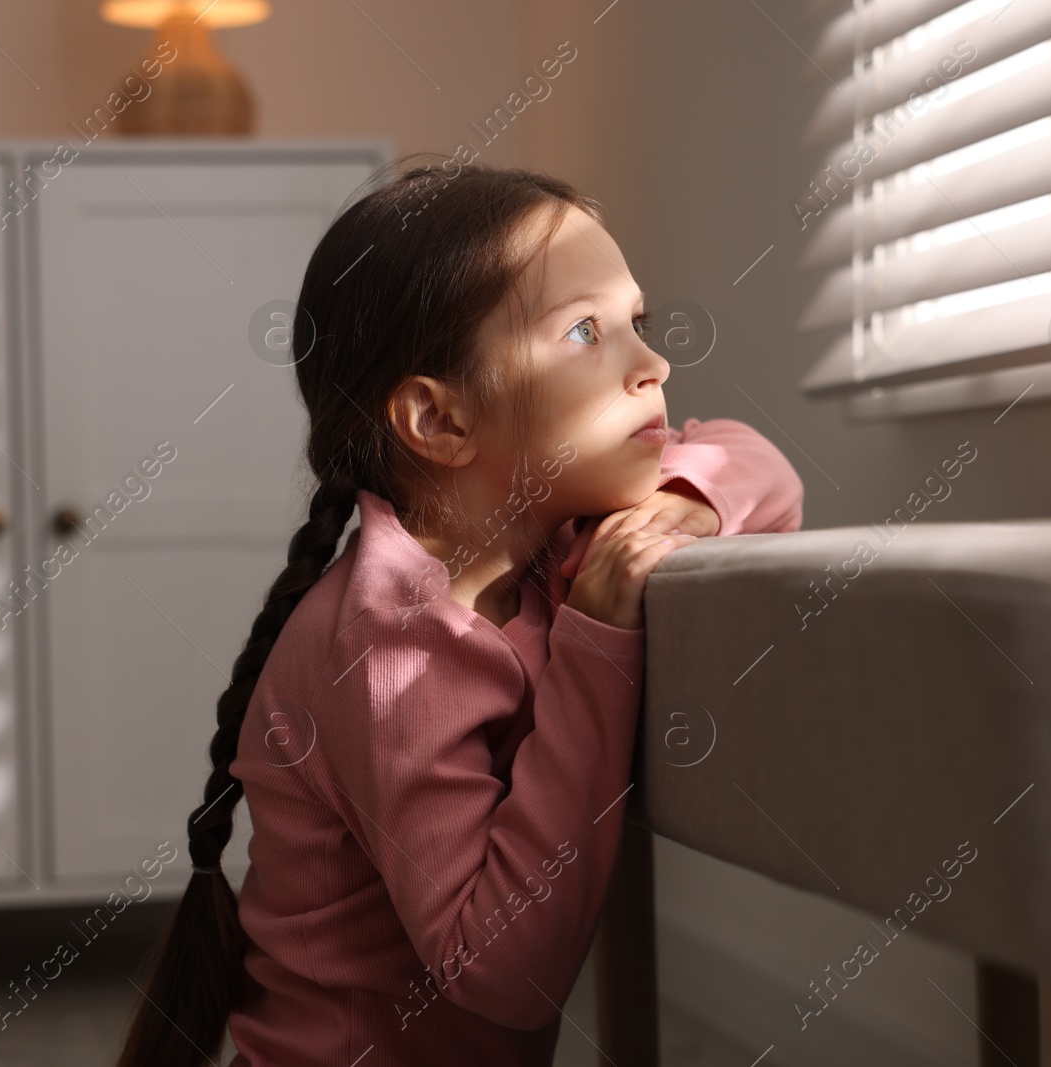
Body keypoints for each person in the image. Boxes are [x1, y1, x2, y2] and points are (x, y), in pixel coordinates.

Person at [114, 154, 804, 1067]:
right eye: (587, 332)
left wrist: (676, 512)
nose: (655, 363)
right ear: (439, 422)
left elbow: (759, 464)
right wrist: (598, 636)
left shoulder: (553, 541)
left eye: (637, 321)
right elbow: (505, 976)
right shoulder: (393, 643)